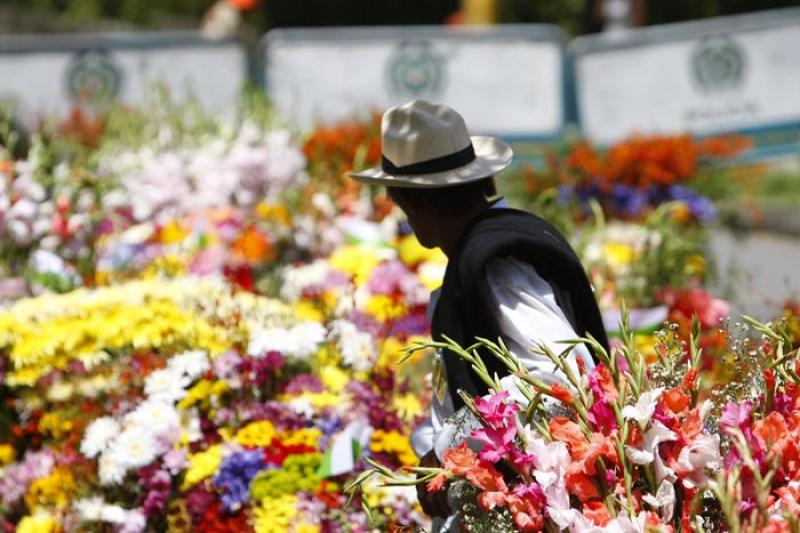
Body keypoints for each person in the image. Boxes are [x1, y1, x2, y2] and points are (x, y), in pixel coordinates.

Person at [348, 99, 609, 530]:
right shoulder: (485, 249)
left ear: (421, 205)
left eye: (405, 208)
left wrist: (449, 450)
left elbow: (558, 377)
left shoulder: (492, 263)